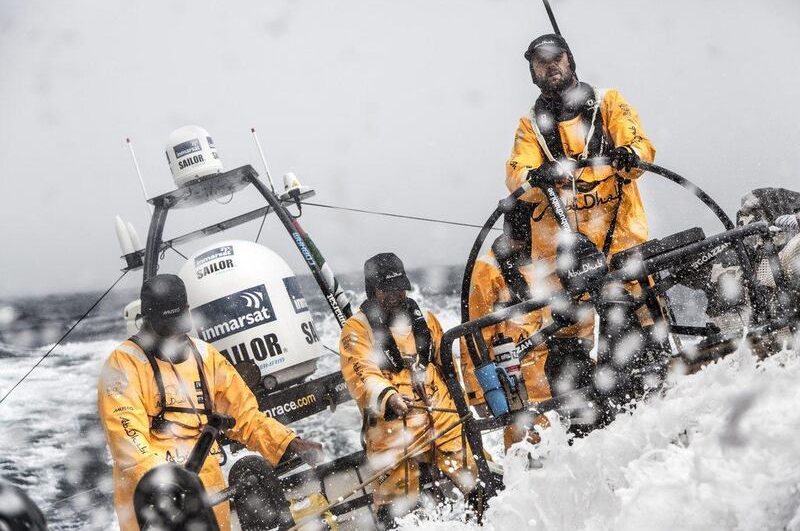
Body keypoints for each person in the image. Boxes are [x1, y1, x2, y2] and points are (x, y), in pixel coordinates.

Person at [506, 33, 659, 417]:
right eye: (540, 63)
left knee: (636, 331)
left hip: (620, 249)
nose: (550, 66)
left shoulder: (608, 103)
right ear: (532, 74)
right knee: (564, 360)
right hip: (566, 268)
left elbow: (641, 146)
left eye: (555, 58)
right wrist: (534, 174)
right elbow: (516, 176)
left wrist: (628, 154)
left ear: (570, 60)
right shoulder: (530, 127)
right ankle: (584, 428)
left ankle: (650, 406)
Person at [98, 274, 323, 530]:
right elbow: (128, 443)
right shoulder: (122, 365)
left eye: (178, 323)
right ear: (146, 319)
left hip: (207, 493)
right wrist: (170, 485)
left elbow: (246, 417)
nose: (174, 336)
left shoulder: (206, 356)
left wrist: (289, 442)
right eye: (165, 326)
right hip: (154, 506)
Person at [339, 253, 480, 527]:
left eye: (400, 287)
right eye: (388, 289)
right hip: (392, 430)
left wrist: (466, 402)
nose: (397, 294)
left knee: (479, 482)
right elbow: (362, 374)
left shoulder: (425, 319)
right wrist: (389, 396)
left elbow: (447, 366)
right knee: (397, 514)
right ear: (373, 291)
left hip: (441, 418)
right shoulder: (356, 330)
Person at [459, 202, 585, 447]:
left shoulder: (545, 257)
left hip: (554, 365)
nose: (523, 244)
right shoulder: (486, 270)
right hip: (515, 375)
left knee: (570, 441)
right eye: (518, 237)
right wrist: (479, 393)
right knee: (527, 449)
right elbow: (473, 335)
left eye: (526, 237)